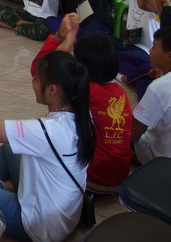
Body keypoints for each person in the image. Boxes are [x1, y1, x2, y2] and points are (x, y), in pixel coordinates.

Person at [0, 49, 95, 242]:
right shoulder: (83, 113)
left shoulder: (47, 131)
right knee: (8, 148)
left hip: (37, 226)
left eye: (35, 79)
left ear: (52, 90)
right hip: (64, 217)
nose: (32, 83)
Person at [32, 13, 133, 195]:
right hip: (119, 177)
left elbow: (42, 71)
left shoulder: (85, 89)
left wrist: (65, 39)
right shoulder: (120, 92)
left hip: (92, 177)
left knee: (24, 150)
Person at [132, 26, 171, 165]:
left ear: (169, 56)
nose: (150, 51)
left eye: (154, 47)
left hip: (156, 158)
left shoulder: (158, 87)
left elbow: (133, 134)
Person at [102, 0, 159, 93]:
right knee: (93, 37)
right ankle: (135, 73)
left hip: (145, 51)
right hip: (128, 43)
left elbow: (143, 2)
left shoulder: (155, 2)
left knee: (113, 58)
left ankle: (132, 75)